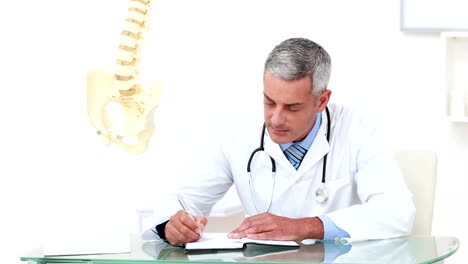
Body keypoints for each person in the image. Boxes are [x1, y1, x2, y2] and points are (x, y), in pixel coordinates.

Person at [142, 37, 415, 246]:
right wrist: (171, 225)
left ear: (321, 101)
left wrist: (306, 226)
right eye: (269, 101)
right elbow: (183, 199)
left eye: (292, 107)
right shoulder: (235, 131)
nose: (275, 119)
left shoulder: (357, 128)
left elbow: (397, 212)